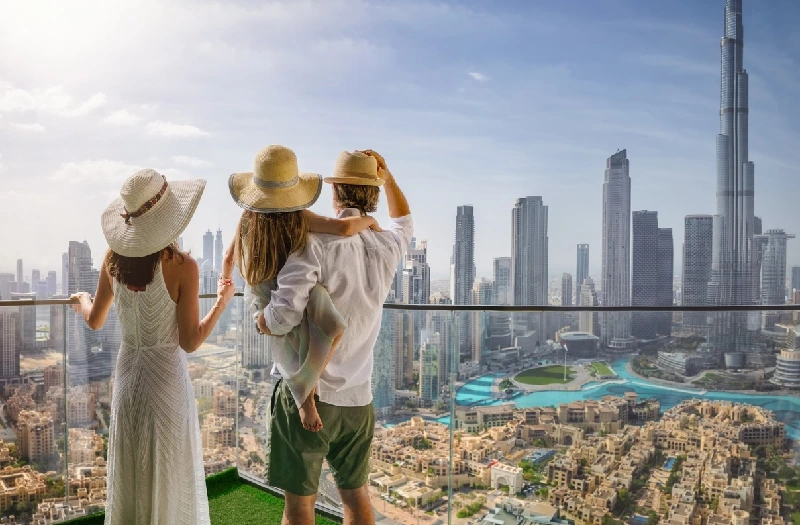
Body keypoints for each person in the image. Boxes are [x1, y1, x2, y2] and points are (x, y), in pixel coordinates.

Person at [256, 149, 412, 525]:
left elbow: (283, 317)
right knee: (357, 498)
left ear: (335, 191)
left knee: (299, 505)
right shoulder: (388, 246)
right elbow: (403, 220)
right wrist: (387, 177)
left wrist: (262, 320)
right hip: (359, 399)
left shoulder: (314, 242)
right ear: (373, 194)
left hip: (311, 394)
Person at [70, 169, 234, 525]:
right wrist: (221, 303)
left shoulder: (112, 260)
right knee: (169, 473)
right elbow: (190, 342)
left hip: (129, 380)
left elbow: (95, 320)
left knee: (132, 471)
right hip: (167, 383)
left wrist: (82, 300)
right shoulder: (183, 267)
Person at [225, 144, 381, 432]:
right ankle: (305, 394)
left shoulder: (248, 217)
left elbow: (228, 256)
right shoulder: (300, 217)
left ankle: (304, 389)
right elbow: (344, 229)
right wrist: (370, 220)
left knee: (302, 330)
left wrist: (225, 282)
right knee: (331, 326)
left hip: (261, 289)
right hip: (274, 290)